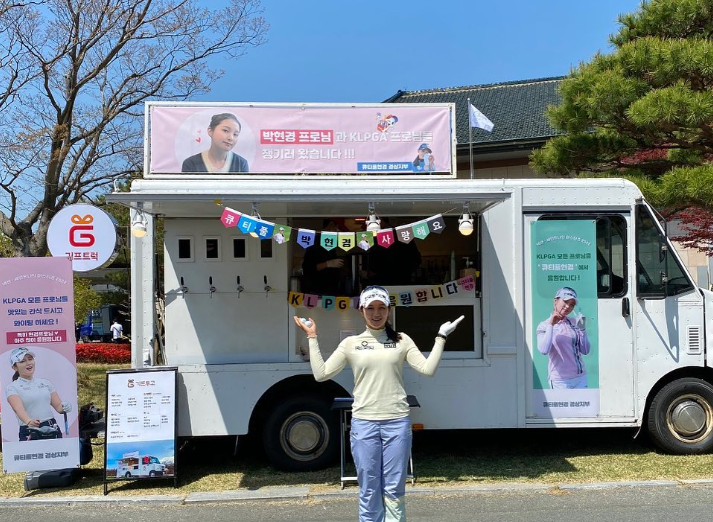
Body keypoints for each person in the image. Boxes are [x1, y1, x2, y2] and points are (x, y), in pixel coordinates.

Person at [294, 286, 463, 522]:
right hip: (364, 424)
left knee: (395, 489)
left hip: (397, 423)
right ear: (361, 310)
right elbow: (321, 374)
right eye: (371, 308)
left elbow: (427, 369)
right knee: (369, 489)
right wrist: (312, 337)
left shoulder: (402, 340)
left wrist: (441, 337)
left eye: (381, 308)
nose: (376, 313)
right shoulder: (351, 343)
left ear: (389, 310)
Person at [6, 347, 71, 441]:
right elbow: (18, 409)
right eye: (23, 361)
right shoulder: (12, 387)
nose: (28, 363)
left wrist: (65, 407)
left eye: (30, 359)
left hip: (51, 427)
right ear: (15, 367)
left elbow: (58, 406)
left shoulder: (45, 383)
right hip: (29, 430)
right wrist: (29, 421)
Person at [536, 287, 591, 389]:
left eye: (572, 304)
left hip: (580, 378)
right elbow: (544, 350)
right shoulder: (543, 326)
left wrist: (582, 329)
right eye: (565, 302)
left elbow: (585, 350)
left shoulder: (574, 322)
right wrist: (551, 325)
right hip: (559, 381)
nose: (568, 306)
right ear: (555, 301)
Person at [181, 113, 249, 173]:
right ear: (210, 131)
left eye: (235, 134)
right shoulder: (191, 163)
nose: (231, 138)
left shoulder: (241, 164)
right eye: (225, 130)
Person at [301, 219, 348, 295]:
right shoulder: (315, 243)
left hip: (330, 289)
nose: (337, 232)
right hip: (317, 290)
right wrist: (327, 264)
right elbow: (308, 267)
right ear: (330, 225)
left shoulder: (330, 243)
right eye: (336, 229)